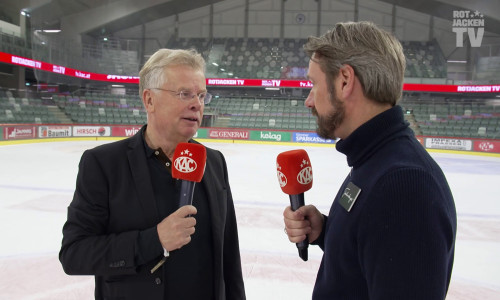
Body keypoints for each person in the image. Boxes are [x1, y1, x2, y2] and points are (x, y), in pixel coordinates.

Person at [283, 21, 456, 300]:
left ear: (344, 81)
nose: (308, 101)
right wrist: (326, 231)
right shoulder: (374, 161)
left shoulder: (402, 184)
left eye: (313, 84)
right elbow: (377, 250)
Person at [59, 48, 246, 300]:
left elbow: (229, 258)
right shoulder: (103, 164)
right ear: (149, 100)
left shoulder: (214, 162)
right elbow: (75, 254)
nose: (197, 104)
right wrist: (154, 240)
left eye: (202, 95)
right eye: (184, 94)